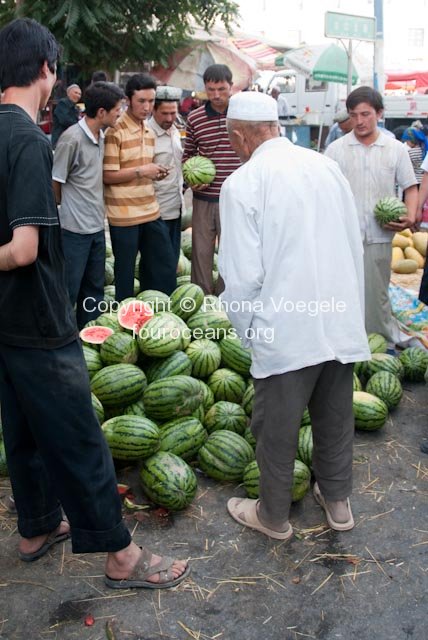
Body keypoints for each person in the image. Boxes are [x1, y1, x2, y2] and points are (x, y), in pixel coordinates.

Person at [0, 17, 188, 589]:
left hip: (5, 320)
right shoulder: (29, 141)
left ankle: (37, 526)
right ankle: (121, 555)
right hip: (38, 315)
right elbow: (24, 249)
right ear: (46, 70)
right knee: (79, 434)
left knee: (22, 426)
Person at [218, 91, 370, 539]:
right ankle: (338, 505)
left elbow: (242, 277)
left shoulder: (243, 182)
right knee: (336, 416)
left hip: (284, 326)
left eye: (231, 141)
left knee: (278, 428)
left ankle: (273, 517)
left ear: (242, 135)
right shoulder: (325, 165)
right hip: (338, 316)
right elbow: (353, 239)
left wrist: (250, 334)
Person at [325, 86, 418, 351]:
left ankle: (382, 346)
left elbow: (410, 187)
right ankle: (345, 344)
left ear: (379, 113)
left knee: (376, 296)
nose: (360, 121)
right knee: (344, 293)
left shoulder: (395, 149)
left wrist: (410, 216)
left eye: (366, 114)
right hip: (344, 237)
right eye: (354, 115)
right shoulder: (335, 150)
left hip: (380, 234)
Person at [52, 82, 124, 329]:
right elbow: (55, 182)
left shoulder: (102, 136)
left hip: (95, 228)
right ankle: (59, 340)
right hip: (73, 231)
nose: (120, 114)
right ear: (101, 112)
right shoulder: (71, 139)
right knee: (68, 291)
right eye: (117, 109)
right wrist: (66, 208)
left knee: (94, 292)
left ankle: (88, 338)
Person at [103, 73, 177, 300]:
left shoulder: (149, 131)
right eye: (141, 101)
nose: (147, 107)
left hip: (150, 210)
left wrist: (156, 173)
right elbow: (107, 175)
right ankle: (125, 320)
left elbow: (142, 171)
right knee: (124, 274)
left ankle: (161, 314)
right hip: (123, 216)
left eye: (151, 101)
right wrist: (142, 171)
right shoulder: (115, 132)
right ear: (128, 100)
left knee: (163, 266)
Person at [182, 64, 241, 295]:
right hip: (204, 198)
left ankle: (228, 303)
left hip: (235, 199)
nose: (216, 95)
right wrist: (189, 180)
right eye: (211, 89)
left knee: (231, 255)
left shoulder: (241, 116)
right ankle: (202, 301)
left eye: (222, 89)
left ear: (231, 86)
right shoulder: (195, 118)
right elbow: (188, 155)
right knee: (201, 254)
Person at [147, 85, 185, 267]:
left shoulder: (175, 131)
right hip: (155, 212)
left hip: (176, 208)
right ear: (153, 109)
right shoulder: (146, 135)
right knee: (159, 265)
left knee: (173, 262)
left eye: (173, 113)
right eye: (165, 113)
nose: (170, 118)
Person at [51, 83, 82, 148]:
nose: (78, 95)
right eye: (76, 93)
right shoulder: (62, 104)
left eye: (79, 94)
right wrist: (80, 125)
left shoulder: (75, 108)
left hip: (70, 141)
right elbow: (65, 120)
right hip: (60, 141)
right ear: (68, 93)